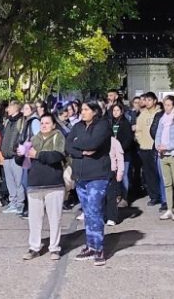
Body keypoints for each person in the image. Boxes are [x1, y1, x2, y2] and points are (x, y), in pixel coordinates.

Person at [67, 101, 111, 266]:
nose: (82, 112)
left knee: (94, 211)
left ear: (94, 111)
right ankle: (90, 245)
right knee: (87, 213)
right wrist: (82, 151)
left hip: (97, 176)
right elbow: (68, 145)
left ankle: (98, 247)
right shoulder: (78, 126)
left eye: (86, 109)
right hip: (80, 176)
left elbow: (93, 144)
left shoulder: (102, 125)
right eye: (82, 109)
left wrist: (79, 145)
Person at [22, 113, 66, 261]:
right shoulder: (33, 139)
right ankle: (34, 247)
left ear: (53, 125)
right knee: (34, 219)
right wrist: (20, 154)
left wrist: (38, 154)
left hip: (53, 183)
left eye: (47, 123)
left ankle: (54, 248)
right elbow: (24, 159)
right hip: (35, 183)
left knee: (55, 218)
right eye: (42, 123)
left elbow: (57, 156)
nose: (44, 125)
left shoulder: (58, 137)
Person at [133, 92, 162, 207]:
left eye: (150, 100)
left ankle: (162, 196)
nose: (147, 102)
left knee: (159, 173)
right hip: (144, 148)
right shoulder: (142, 114)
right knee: (148, 174)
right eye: (146, 100)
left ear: (155, 101)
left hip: (156, 148)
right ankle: (154, 196)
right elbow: (138, 131)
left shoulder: (159, 113)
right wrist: (141, 141)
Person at [0, 101, 27, 215]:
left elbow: (22, 137)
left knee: (18, 182)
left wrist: (17, 150)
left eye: (10, 107)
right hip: (6, 156)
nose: (7, 109)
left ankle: (20, 203)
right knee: (10, 182)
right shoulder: (7, 121)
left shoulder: (21, 121)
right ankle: (13, 202)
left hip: (15, 156)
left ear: (16, 108)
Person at [108, 102, 135, 205]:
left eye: (117, 110)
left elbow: (128, 139)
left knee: (124, 175)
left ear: (121, 111)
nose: (115, 112)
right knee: (114, 175)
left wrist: (120, 149)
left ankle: (125, 197)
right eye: (114, 110)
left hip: (124, 153)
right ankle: (117, 195)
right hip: (112, 154)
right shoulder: (110, 123)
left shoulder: (125, 123)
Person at [106, 127, 126, 226]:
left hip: (111, 171)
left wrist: (120, 173)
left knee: (111, 196)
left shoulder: (114, 142)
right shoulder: (97, 141)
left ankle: (112, 217)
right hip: (98, 172)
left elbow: (120, 159)